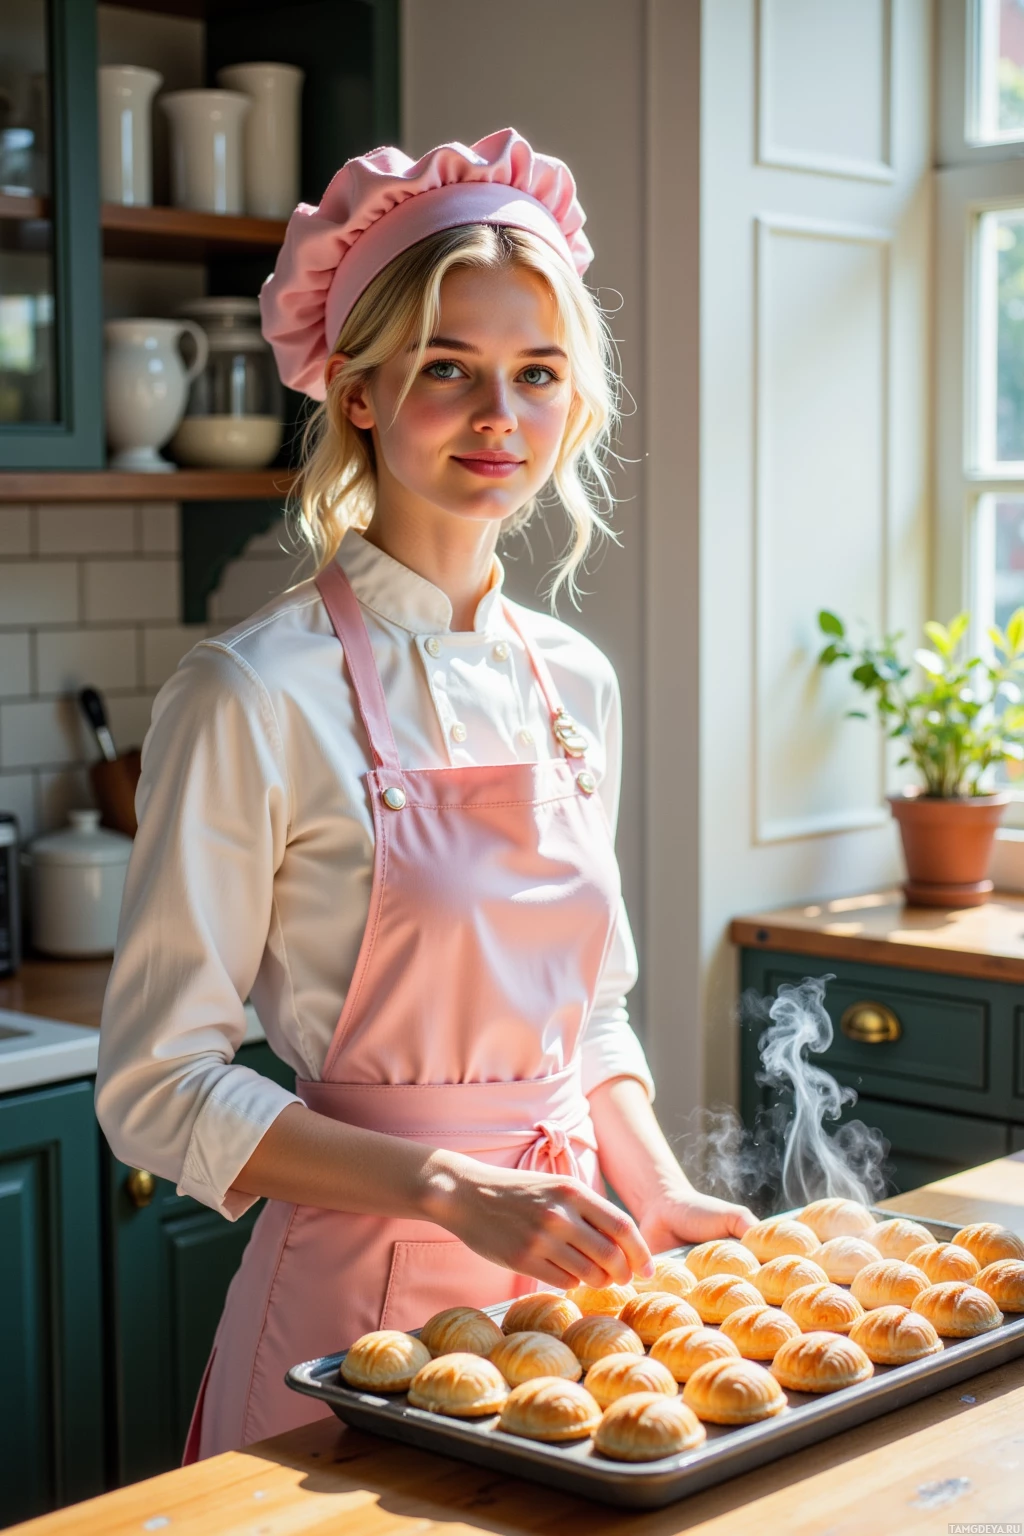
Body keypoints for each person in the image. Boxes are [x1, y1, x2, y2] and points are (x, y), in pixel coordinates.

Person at [95, 127, 755, 1463]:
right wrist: (452, 1187)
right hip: (356, 1319)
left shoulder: (574, 679)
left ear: (577, 402)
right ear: (358, 390)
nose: (500, 419)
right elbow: (155, 1085)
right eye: (448, 371)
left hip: (577, 1296)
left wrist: (660, 1189)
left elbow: (593, 1014)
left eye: (537, 374)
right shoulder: (251, 691)